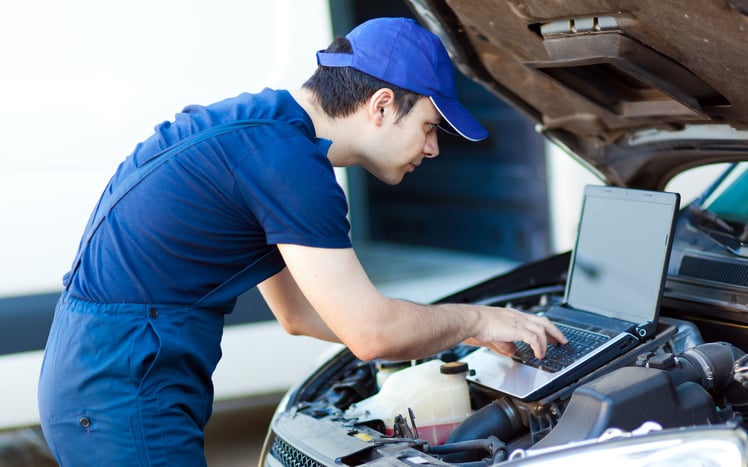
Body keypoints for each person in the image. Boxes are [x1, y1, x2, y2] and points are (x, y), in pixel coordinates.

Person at [38, 17, 566, 466]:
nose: (432, 149)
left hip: (97, 372)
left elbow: (302, 315)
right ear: (381, 105)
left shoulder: (261, 129)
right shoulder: (290, 165)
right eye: (430, 126)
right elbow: (370, 335)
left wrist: (447, 336)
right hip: (124, 386)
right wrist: (475, 319)